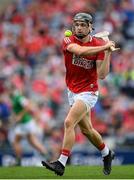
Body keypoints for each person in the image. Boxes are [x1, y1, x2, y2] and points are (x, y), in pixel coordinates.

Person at [42, 12, 115, 176]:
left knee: (69, 122)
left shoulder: (98, 44)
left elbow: (102, 74)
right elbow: (80, 51)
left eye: (83, 25)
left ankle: (61, 163)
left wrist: (108, 52)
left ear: (90, 27)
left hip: (88, 91)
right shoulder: (68, 40)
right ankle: (107, 153)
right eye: (76, 24)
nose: (79, 28)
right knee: (87, 130)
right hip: (72, 90)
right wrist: (105, 46)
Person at [8, 85, 48, 166]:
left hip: (25, 123)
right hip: (24, 123)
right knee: (32, 142)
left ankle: (18, 160)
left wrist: (20, 115)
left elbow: (28, 106)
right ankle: (47, 155)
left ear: (12, 90)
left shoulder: (18, 97)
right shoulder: (14, 98)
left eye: (9, 90)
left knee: (16, 141)